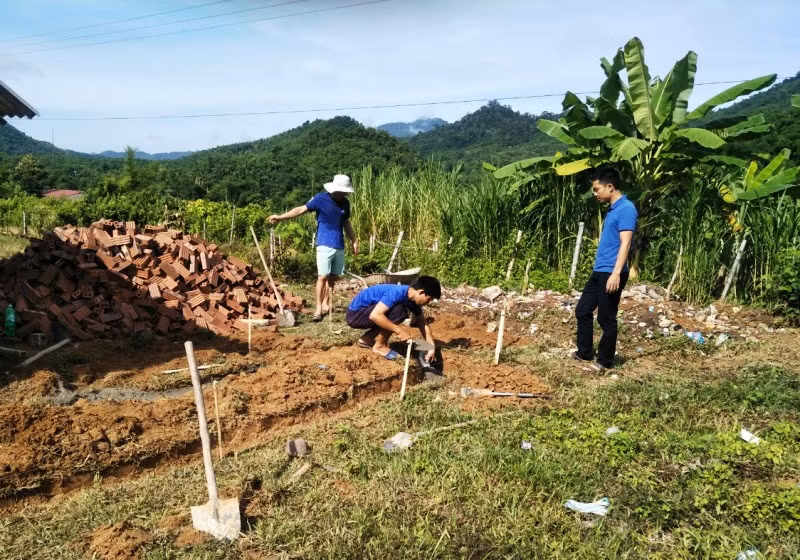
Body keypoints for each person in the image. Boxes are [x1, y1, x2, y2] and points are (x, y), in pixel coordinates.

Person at [269, 174, 358, 321]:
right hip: (324, 243)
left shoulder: (345, 204)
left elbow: (346, 223)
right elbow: (300, 210)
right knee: (322, 276)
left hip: (339, 245)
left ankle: (326, 304)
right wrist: (280, 217)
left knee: (333, 277)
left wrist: (354, 240)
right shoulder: (320, 199)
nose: (344, 194)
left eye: (345, 192)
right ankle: (318, 308)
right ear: (335, 189)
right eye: (342, 191)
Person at [573, 167, 637, 371]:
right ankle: (585, 352)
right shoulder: (612, 209)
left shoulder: (626, 208)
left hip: (612, 271)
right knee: (583, 310)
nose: (595, 193)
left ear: (610, 187)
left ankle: (605, 361)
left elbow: (626, 243)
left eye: (596, 189)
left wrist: (616, 273)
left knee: (606, 318)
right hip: (600, 270)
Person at [346, 276, 441, 361]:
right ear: (421, 292)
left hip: (366, 313)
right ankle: (380, 346)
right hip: (355, 315)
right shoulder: (398, 292)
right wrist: (399, 331)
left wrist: (431, 347)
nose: (428, 303)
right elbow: (375, 315)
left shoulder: (413, 302)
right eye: (429, 299)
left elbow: (422, 323)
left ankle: (366, 339)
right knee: (399, 311)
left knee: (397, 311)